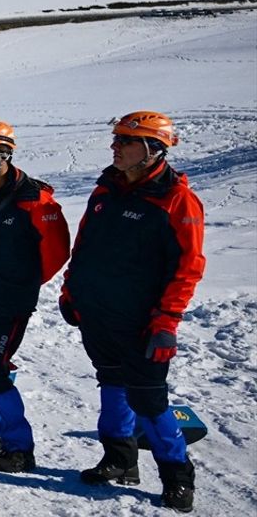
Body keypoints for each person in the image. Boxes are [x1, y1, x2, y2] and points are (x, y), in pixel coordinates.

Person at [60, 112, 204, 512]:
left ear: (153, 148)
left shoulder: (177, 199)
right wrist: (72, 290)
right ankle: (119, 459)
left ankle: (177, 477)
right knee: (111, 385)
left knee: (150, 402)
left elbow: (188, 267)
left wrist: (167, 321)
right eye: (116, 139)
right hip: (98, 314)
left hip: (143, 323)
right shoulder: (106, 191)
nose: (115, 147)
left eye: (125, 140)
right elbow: (84, 246)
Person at [0, 121, 70, 473]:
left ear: (2, 154)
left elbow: (56, 253)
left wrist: (18, 282)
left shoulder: (35, 201)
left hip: (9, 302)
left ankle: (20, 447)